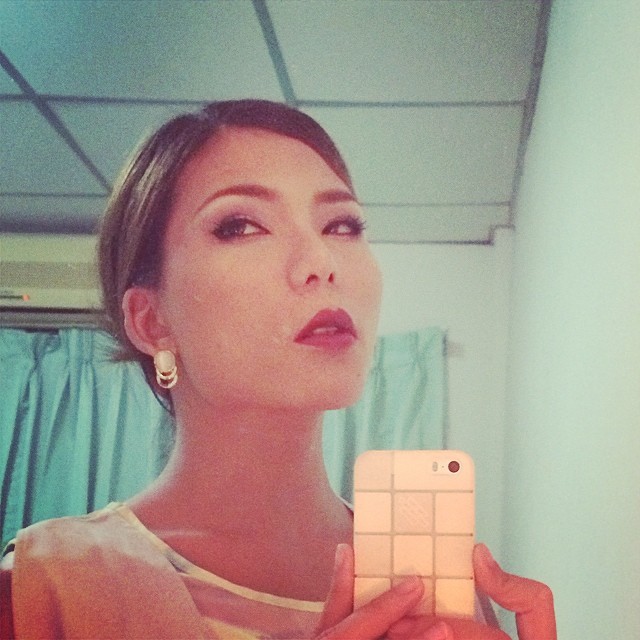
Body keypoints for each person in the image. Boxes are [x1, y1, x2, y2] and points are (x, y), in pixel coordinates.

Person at [0, 100, 555, 639]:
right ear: (152, 320)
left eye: (342, 225)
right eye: (241, 226)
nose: (322, 262)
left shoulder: (435, 587)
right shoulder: (44, 587)